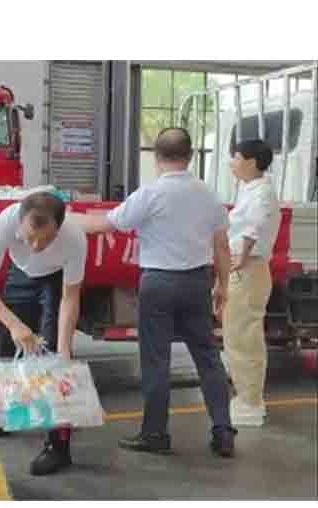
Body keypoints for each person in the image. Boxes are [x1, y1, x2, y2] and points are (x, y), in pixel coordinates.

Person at [82, 128, 237, 457]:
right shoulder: (208, 194)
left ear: (156, 156)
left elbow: (105, 224)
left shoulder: (150, 194)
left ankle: (155, 433)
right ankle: (223, 430)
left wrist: (66, 218)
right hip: (197, 282)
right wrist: (222, 286)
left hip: (158, 284)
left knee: (156, 360)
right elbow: (222, 246)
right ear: (190, 156)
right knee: (208, 357)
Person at [0, 191, 87, 476]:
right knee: (7, 346)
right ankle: (3, 416)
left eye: (44, 240)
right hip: (21, 273)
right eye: (29, 238)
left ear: (59, 228)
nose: (35, 246)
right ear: (20, 221)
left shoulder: (74, 238)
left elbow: (70, 298)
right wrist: (13, 324)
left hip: (55, 280)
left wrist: (63, 351)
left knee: (52, 359)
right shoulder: (6, 221)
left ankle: (58, 447)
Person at [224, 139, 280, 426]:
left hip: (248, 267)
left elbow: (253, 226)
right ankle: (246, 396)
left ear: (251, 162)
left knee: (244, 336)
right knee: (236, 335)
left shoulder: (262, 192)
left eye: (236, 158)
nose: (231, 163)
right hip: (244, 267)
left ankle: (250, 403)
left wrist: (242, 256)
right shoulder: (250, 189)